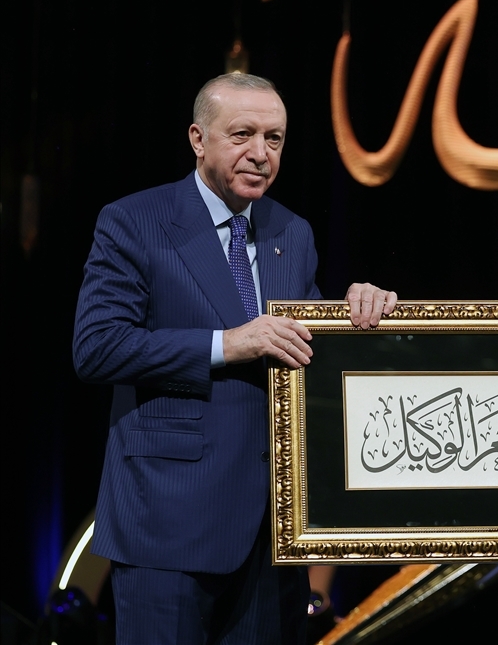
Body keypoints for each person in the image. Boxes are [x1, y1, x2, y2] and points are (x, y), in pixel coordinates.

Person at [73, 73, 397, 644]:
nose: (260, 153)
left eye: (274, 138)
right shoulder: (134, 221)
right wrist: (227, 344)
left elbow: (306, 354)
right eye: (242, 134)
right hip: (167, 525)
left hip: (273, 534)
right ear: (198, 139)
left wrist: (357, 316)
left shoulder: (292, 231)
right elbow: (98, 347)